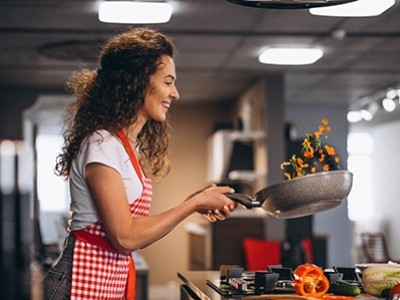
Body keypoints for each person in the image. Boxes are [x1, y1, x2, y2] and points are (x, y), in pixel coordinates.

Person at [43, 27, 236, 300]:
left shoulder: (124, 145)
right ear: (138, 82)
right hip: (77, 285)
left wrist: (198, 200)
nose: (175, 93)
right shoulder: (101, 144)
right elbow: (125, 238)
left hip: (104, 282)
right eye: (168, 82)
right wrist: (192, 205)